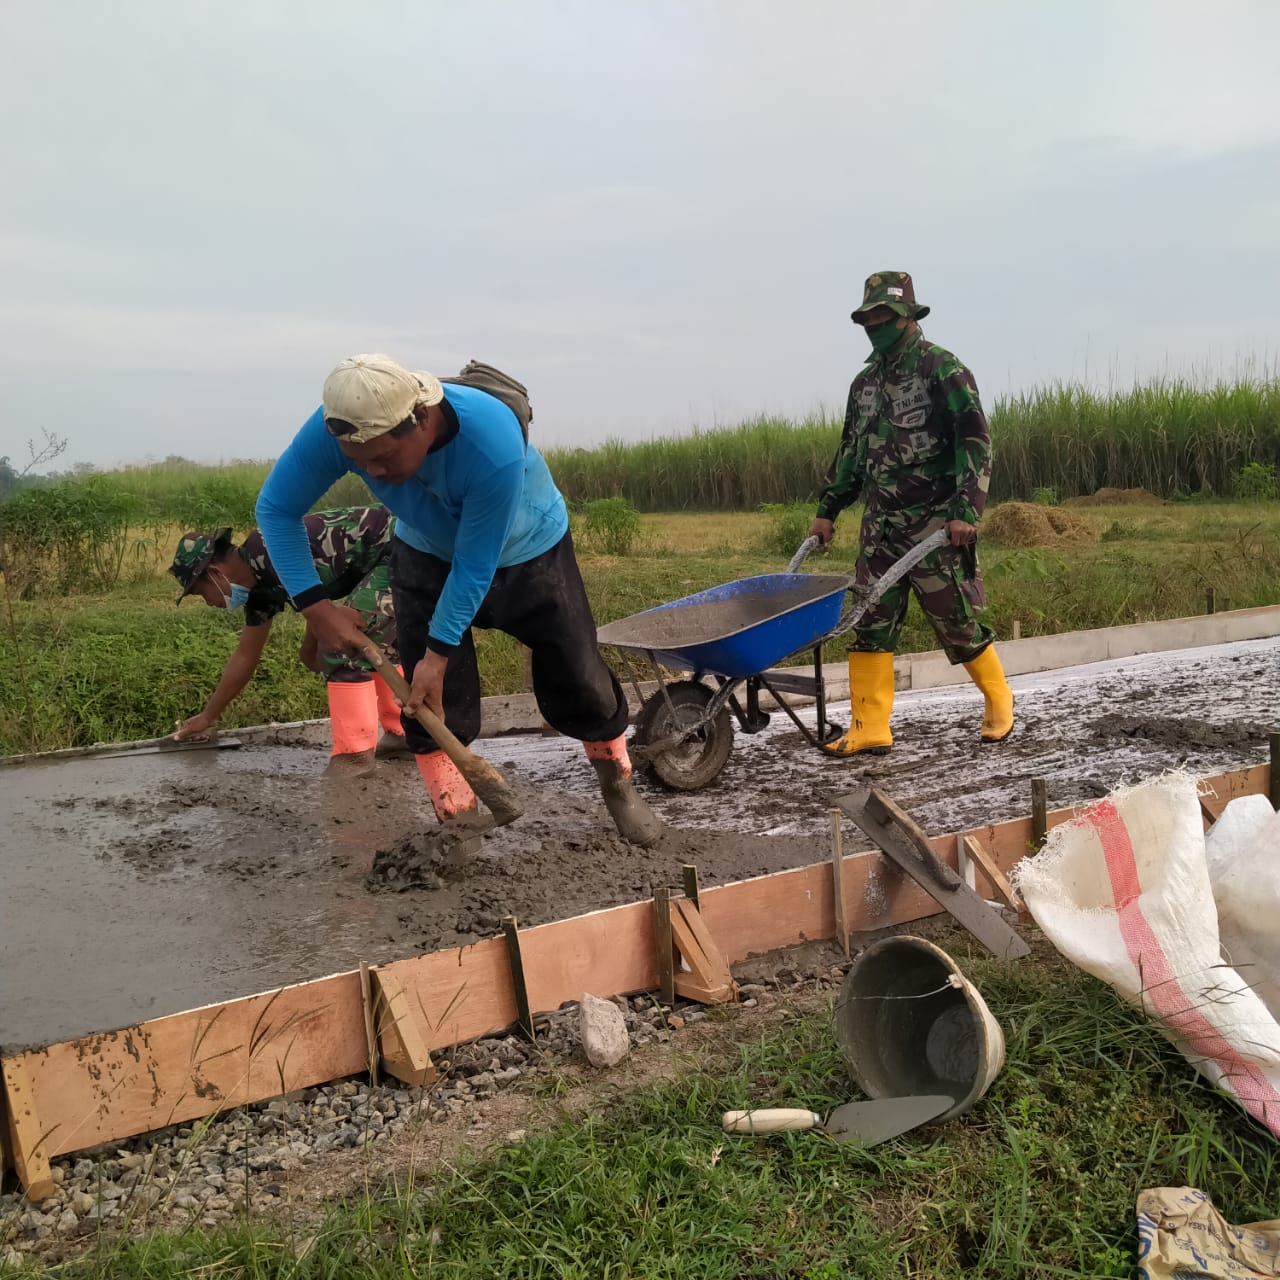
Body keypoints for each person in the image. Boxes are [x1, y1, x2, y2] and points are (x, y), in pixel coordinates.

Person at [253, 354, 663, 848]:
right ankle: (458, 822)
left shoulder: (491, 444)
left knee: (580, 678)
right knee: (430, 703)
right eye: (360, 465)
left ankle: (617, 783)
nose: (374, 473)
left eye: (383, 459)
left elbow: (474, 564)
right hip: (424, 548)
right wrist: (316, 609)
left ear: (421, 420)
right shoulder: (339, 431)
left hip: (528, 549)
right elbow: (275, 509)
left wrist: (436, 653)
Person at [807, 270, 1014, 754]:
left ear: (906, 316)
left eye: (884, 315)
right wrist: (828, 510)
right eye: (868, 317)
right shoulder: (864, 385)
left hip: (936, 525)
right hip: (881, 529)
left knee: (957, 619)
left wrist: (967, 509)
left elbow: (977, 441)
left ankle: (999, 700)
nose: (875, 324)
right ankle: (870, 726)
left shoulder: (942, 369)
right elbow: (850, 455)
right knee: (869, 620)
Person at [168, 505, 409, 776]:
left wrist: (314, 648)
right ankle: (402, 736)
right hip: (381, 558)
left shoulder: (270, 549)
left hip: (400, 544)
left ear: (214, 572)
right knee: (360, 637)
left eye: (202, 593)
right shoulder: (258, 589)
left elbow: (325, 618)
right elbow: (246, 656)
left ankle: (355, 758)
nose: (209, 603)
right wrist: (208, 716)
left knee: (341, 642)